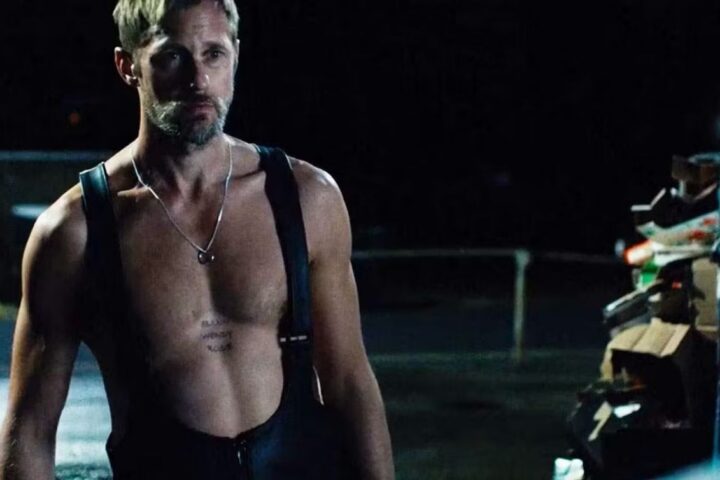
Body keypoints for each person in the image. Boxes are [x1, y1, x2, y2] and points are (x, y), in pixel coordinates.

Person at [0, 0, 394, 478]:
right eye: (173, 57)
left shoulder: (306, 198)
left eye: (214, 54)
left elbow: (349, 381)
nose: (198, 80)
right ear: (128, 66)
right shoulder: (73, 233)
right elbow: (31, 427)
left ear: (235, 57)